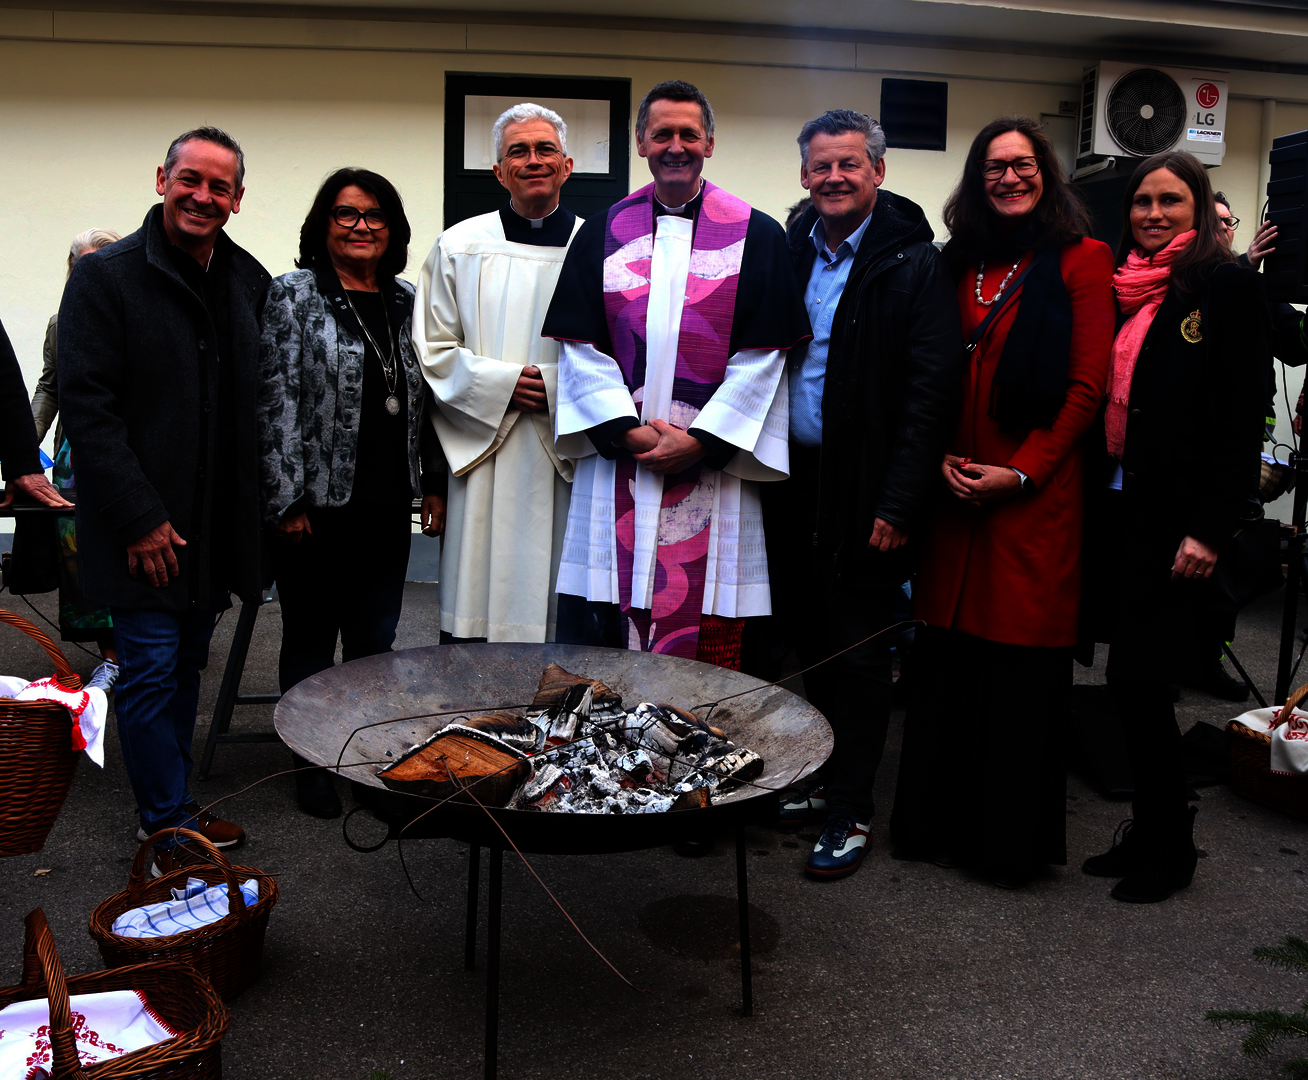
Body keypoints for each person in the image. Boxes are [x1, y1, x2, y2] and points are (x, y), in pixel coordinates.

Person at [888, 115, 1115, 888]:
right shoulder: (958, 263)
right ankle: (933, 826)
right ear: (976, 179)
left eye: (1022, 165)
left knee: (1015, 673)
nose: (1009, 177)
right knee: (947, 661)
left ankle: (1003, 845)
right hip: (955, 491)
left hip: (1032, 499)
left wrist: (1021, 472)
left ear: (1046, 175)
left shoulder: (1084, 260)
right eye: (994, 166)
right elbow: (931, 370)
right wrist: (938, 457)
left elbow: (1088, 387)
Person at [543, 80, 810, 669]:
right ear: (641, 142)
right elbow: (580, 347)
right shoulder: (603, 231)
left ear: (710, 142)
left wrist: (702, 441)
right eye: (662, 132)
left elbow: (766, 355)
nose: (676, 144)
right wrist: (624, 431)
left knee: (711, 616)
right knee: (608, 620)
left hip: (713, 463)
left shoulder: (755, 233)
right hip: (623, 462)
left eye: (689, 133)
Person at [58, 126, 265, 871]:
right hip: (142, 529)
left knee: (183, 673)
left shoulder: (247, 280)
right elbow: (88, 408)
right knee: (148, 670)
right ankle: (166, 828)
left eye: (219, 186)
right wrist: (141, 518)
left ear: (237, 200)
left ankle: (173, 804)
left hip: (211, 533)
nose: (202, 196)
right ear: (162, 179)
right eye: (191, 180)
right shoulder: (105, 276)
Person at [769, 108, 964, 881]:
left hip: (868, 490)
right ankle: (825, 776)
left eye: (849, 164)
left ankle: (851, 808)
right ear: (804, 174)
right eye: (821, 165)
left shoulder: (914, 262)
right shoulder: (790, 251)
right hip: (793, 482)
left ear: (877, 171)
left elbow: (930, 394)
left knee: (859, 652)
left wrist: (898, 503)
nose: (834, 178)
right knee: (813, 638)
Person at [1080, 151, 1269, 903]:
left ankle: (1173, 844)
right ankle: (1155, 830)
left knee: (1141, 676)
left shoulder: (1223, 285)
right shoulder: (1126, 288)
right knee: (1129, 682)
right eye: (1142, 203)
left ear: (1198, 210)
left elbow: (1239, 422)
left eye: (1170, 202)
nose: (1153, 215)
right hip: (1123, 508)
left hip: (1179, 522)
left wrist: (1210, 529)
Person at [258, 168, 444, 818]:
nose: (361, 225)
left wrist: (434, 482)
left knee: (373, 640)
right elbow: (276, 398)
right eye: (346, 214)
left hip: (387, 502)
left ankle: (364, 762)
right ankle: (309, 761)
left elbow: (427, 402)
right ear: (323, 225)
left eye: (374, 215)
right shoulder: (293, 295)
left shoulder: (407, 300)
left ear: (391, 229)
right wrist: (285, 499)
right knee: (311, 638)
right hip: (315, 506)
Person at [413, 103, 580, 644]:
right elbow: (432, 348)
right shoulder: (459, 246)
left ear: (567, 165)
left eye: (545, 149)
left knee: (564, 613)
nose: (533, 160)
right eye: (518, 151)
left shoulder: (599, 248)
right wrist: (506, 384)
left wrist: (554, 387)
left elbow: (626, 355)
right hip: (484, 452)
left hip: (567, 449)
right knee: (476, 613)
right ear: (499, 171)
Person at [27, 229, 123, 693]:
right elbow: (50, 386)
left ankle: (147, 648)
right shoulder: (60, 323)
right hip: (73, 460)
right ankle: (112, 656)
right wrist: (23, 449)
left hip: (130, 454)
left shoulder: (138, 317)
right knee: (78, 557)